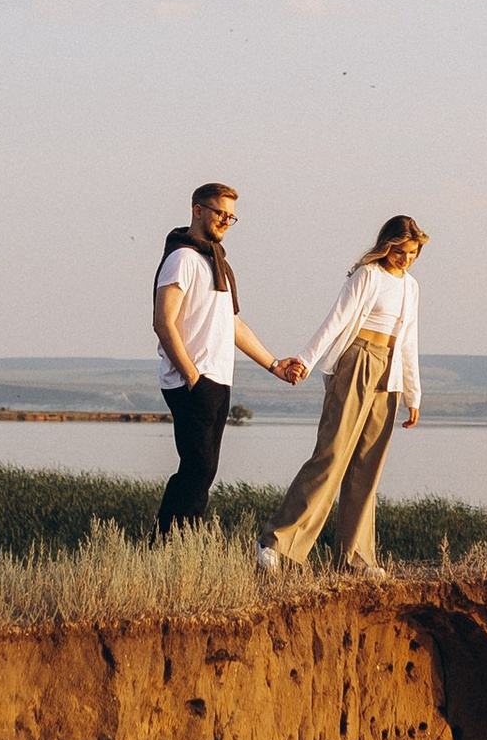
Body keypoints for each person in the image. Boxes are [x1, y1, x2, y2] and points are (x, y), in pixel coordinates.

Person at [259, 215, 427, 574]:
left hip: (389, 372)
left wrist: (413, 395)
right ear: (386, 245)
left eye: (413, 253)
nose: (406, 258)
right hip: (356, 361)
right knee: (332, 455)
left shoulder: (411, 287)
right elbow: (335, 320)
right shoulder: (367, 275)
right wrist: (305, 360)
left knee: (368, 465)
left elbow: (409, 342)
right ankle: (277, 543)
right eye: (401, 251)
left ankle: (355, 558)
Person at [152, 182, 299, 535]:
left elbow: (232, 324)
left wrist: (274, 365)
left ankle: (174, 544)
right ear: (198, 210)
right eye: (220, 213)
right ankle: (168, 544)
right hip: (193, 380)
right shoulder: (183, 258)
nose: (225, 221)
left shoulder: (215, 262)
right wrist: (192, 376)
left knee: (202, 470)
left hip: (217, 380)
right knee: (198, 468)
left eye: (231, 217)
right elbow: (163, 322)